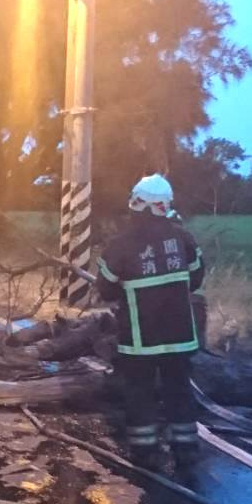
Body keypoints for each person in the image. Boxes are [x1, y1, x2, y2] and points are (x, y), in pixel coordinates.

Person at [96, 174, 206, 464]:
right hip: (180, 336)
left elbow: (105, 288)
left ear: (137, 203)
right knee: (180, 390)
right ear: (165, 206)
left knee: (139, 392)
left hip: (139, 339)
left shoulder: (120, 243)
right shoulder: (183, 238)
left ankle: (145, 452)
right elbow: (196, 278)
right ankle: (185, 448)